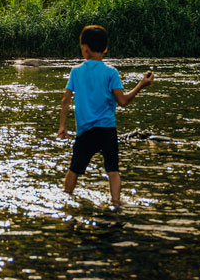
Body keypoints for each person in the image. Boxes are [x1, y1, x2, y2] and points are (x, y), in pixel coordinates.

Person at [57, 25, 154, 209]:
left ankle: (66, 202)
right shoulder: (111, 73)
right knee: (113, 171)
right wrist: (141, 84)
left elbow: (65, 100)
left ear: (84, 48)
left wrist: (63, 126)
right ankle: (116, 204)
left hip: (85, 131)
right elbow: (123, 101)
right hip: (107, 130)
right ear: (106, 49)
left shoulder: (76, 71)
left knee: (74, 170)